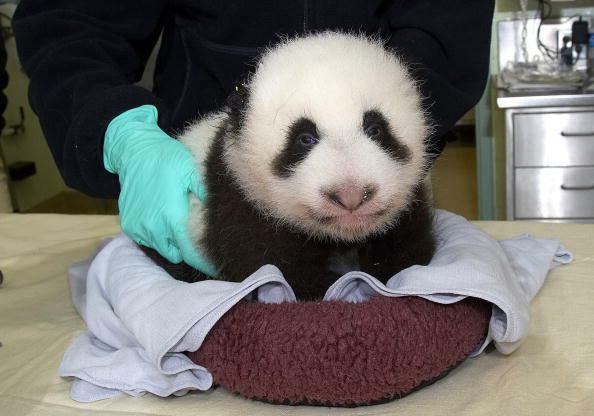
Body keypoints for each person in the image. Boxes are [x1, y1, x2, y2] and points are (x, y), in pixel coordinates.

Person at [12, 1, 495, 275]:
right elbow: (72, 22)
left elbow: (446, 31)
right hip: (201, 168)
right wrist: (117, 129)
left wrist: (402, 104)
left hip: (379, 149)